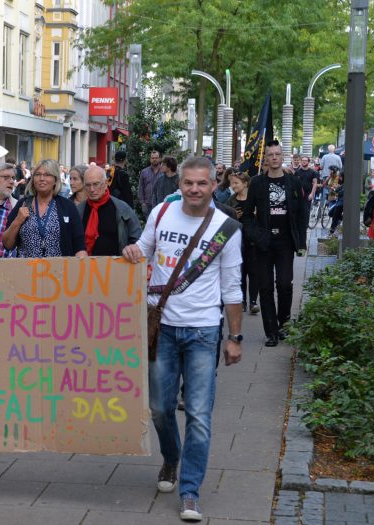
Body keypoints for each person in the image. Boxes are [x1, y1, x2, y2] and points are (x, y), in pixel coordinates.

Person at [122, 155, 243, 523]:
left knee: (199, 414)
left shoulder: (227, 227)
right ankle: (171, 457)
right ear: (180, 185)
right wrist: (131, 252)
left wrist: (235, 336)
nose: (194, 189)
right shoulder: (161, 213)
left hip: (204, 330)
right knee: (159, 407)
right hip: (162, 328)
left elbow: (232, 287)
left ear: (213, 185)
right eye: (188, 183)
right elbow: (142, 249)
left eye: (202, 183)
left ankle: (190, 490)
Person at [247, 140, 308, 347]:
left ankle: (284, 325)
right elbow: (246, 215)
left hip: (285, 241)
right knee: (265, 288)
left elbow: (302, 214)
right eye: (270, 154)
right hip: (264, 242)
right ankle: (271, 332)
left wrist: (301, 242)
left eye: (277, 154)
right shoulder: (257, 183)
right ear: (266, 158)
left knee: (284, 284)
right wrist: (255, 236)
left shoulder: (293, 182)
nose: (274, 158)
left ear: (283, 157)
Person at [3, 159, 87, 258]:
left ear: (55, 180)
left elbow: (79, 245)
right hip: (26, 271)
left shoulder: (68, 207)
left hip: (59, 271)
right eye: (38, 174)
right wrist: (17, 221)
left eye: (47, 175)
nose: (42, 178)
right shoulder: (23, 204)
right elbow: (7, 245)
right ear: (33, 179)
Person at [77, 165, 141, 256]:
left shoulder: (122, 209)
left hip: (116, 266)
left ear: (106, 183)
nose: (91, 189)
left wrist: (131, 248)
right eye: (88, 185)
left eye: (96, 184)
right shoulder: (79, 210)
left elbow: (137, 238)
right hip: (84, 266)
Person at [226, 172, 259, 314]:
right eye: (231, 183)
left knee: (254, 272)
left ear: (245, 183)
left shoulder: (255, 199)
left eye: (236, 183)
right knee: (240, 272)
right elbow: (225, 221)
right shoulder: (230, 201)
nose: (232, 186)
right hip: (237, 241)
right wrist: (235, 217)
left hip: (253, 241)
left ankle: (253, 301)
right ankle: (242, 301)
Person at [295, 156, 320, 223]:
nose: (304, 161)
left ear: (308, 162)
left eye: (305, 160)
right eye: (303, 160)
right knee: (298, 210)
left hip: (308, 193)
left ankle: (305, 225)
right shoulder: (297, 172)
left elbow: (315, 183)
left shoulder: (313, 172)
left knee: (306, 210)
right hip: (299, 194)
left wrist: (312, 194)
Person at [139, 150, 163, 218]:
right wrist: (142, 203)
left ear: (159, 159)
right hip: (147, 205)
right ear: (150, 159)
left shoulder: (164, 172)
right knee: (149, 226)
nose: (154, 159)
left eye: (156, 158)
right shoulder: (144, 172)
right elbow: (140, 188)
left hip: (160, 205)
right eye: (153, 158)